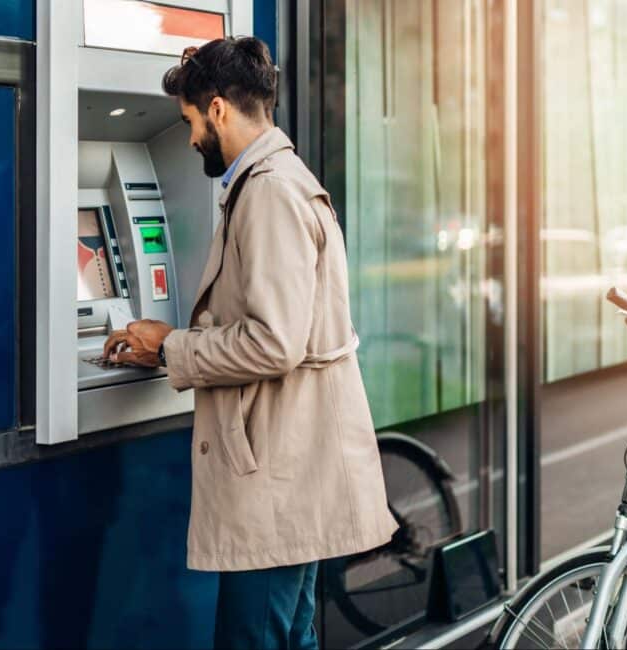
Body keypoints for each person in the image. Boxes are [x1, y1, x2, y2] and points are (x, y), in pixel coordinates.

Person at [102, 36, 397, 650]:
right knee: (289, 635)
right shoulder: (273, 181)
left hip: (278, 471)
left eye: (188, 122)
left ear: (216, 110)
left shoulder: (268, 191)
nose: (187, 140)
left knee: (256, 637)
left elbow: (274, 342)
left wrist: (169, 347)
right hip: (289, 461)